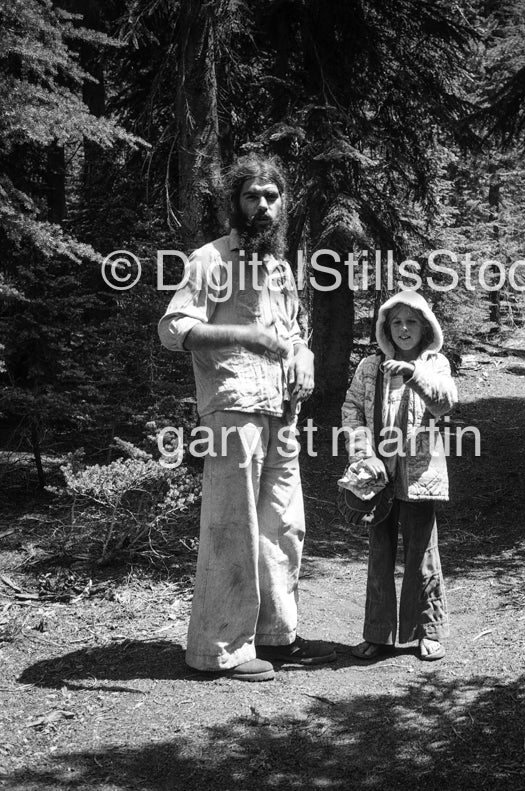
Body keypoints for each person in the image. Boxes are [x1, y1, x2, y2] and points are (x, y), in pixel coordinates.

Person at [158, 153, 336, 681]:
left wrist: (303, 358)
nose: (262, 206)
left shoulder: (280, 267)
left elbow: (295, 332)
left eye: (271, 196)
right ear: (234, 203)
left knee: (283, 525)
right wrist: (246, 336)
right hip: (234, 408)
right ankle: (220, 649)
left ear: (283, 204)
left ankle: (276, 637)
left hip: (283, 410)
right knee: (231, 526)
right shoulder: (209, 260)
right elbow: (175, 329)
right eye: (252, 196)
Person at [341, 290, 457, 661]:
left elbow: (445, 402)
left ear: (425, 328)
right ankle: (378, 633)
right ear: (385, 329)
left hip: (421, 475)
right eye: (396, 322)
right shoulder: (368, 367)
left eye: (411, 322)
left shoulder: (436, 364)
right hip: (377, 477)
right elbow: (352, 410)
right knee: (379, 552)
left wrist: (414, 374)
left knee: (423, 552)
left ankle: (428, 630)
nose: (404, 329)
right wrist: (363, 453)